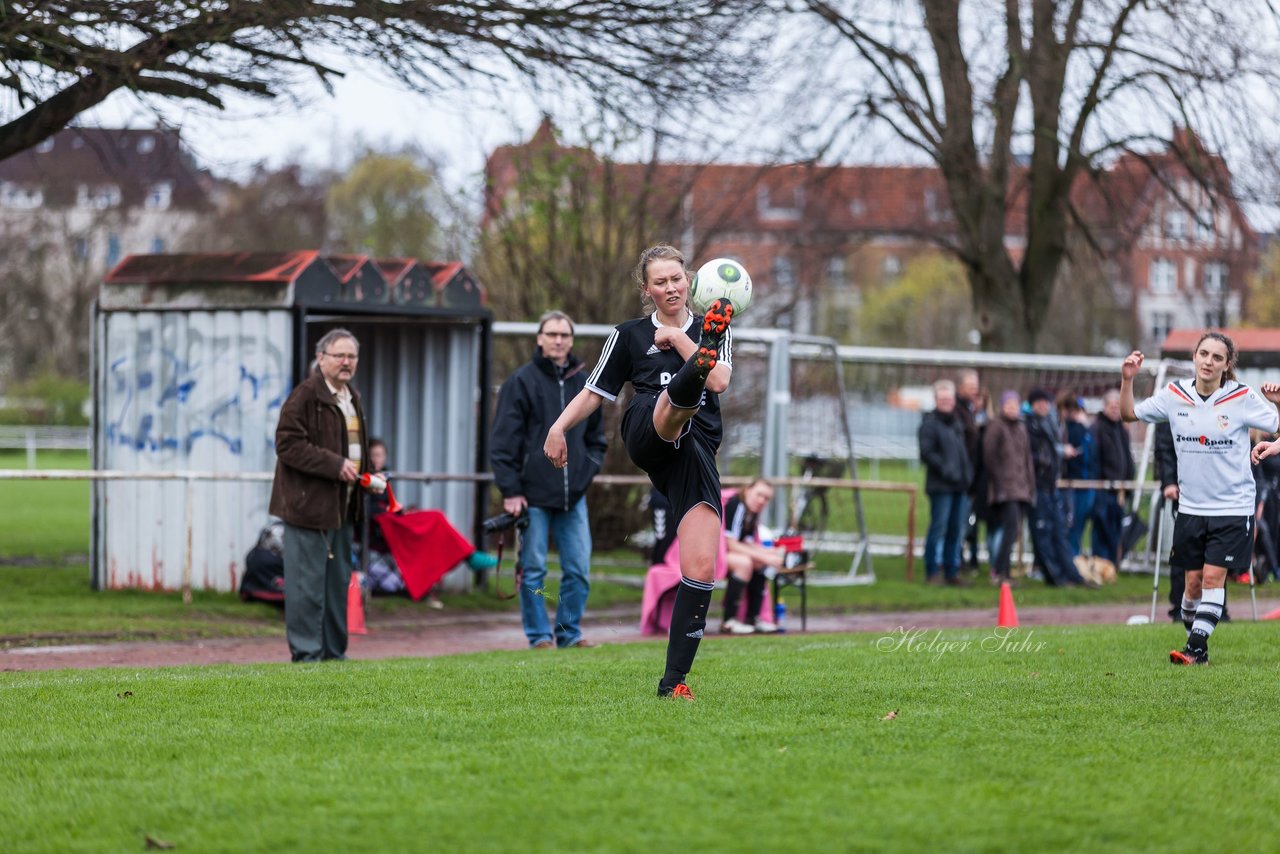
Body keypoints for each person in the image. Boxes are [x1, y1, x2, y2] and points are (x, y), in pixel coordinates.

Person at [544, 243, 735, 700]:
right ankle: (680, 391)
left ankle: (674, 684)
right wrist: (558, 428)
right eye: (660, 281)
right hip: (648, 427)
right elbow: (594, 394)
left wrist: (684, 341)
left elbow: (721, 380)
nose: (670, 287)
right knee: (672, 404)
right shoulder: (628, 335)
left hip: (697, 453)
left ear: (688, 279)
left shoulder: (715, 326)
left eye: (676, 278)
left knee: (702, 569)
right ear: (646, 289)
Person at [1122, 332, 1280, 665]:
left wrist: (1279, 404)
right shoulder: (1173, 395)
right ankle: (1199, 645)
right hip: (1191, 507)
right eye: (1204, 354)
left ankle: (1194, 649)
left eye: (1217, 358)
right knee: (1190, 586)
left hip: (1233, 507)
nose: (1209, 362)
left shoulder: (1240, 397)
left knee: (1211, 578)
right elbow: (1127, 414)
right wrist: (1127, 380)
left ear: (1226, 365)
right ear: (1194, 357)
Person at [491, 310, 608, 650]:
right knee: (534, 569)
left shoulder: (587, 382)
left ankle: (568, 633)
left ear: (572, 340)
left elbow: (597, 439)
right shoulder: (520, 382)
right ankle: (539, 635)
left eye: (565, 335)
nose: (558, 340)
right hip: (532, 497)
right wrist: (511, 490)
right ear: (539, 338)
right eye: (552, 333)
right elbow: (503, 443)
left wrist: (589, 469)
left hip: (575, 496)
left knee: (578, 569)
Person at [269, 328, 369, 662]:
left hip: (342, 508)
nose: (346, 362)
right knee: (305, 587)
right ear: (321, 358)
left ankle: (333, 655)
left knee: (337, 585)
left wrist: (366, 472)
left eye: (351, 356)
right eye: (339, 355)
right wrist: (334, 464)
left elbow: (352, 449)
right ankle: (307, 655)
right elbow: (287, 444)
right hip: (307, 509)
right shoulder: (305, 395)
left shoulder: (350, 396)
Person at [358, 438, 496, 608]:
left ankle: (466, 556)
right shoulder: (363, 478)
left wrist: (401, 511)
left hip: (393, 521)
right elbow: (366, 508)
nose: (376, 459)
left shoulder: (385, 476)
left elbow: (390, 506)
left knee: (435, 525)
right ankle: (468, 555)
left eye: (380, 455)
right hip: (381, 527)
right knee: (435, 519)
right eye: (373, 455)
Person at [1025, 389, 1087, 586]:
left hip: (1051, 484)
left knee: (1060, 530)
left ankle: (1071, 574)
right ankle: (1054, 576)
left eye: (1045, 402)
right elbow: (1032, 454)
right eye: (1039, 402)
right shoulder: (1029, 425)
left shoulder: (1050, 425)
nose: (1043, 405)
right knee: (1043, 532)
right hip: (1038, 486)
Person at [918, 379, 973, 586]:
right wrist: (946, 470)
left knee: (956, 530)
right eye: (942, 399)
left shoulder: (957, 423)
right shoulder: (930, 423)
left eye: (949, 398)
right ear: (936, 399)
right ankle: (932, 570)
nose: (946, 402)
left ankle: (952, 571)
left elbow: (962, 453)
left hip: (959, 485)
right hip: (941, 486)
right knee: (938, 528)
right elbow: (927, 453)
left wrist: (965, 474)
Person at [982, 390, 1035, 584]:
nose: (1012, 408)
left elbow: (1027, 459)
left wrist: (1030, 485)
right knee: (1009, 529)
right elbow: (989, 456)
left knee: (1014, 531)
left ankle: (1004, 570)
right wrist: (999, 482)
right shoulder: (996, 427)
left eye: (1015, 404)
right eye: (1008, 405)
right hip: (1005, 489)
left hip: (1021, 489)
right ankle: (999, 570)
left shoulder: (1021, 428)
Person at [720, 478, 784, 633]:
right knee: (745, 563)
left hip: (726, 552)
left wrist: (770, 553)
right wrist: (766, 557)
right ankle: (728, 621)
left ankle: (753, 618)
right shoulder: (736, 505)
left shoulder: (751, 512)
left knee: (758, 563)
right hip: (711, 554)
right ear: (748, 490)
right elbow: (730, 544)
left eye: (766, 498)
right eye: (759, 495)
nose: (762, 500)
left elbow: (747, 543)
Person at [1089, 390, 1135, 564]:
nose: (1115, 410)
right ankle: (1100, 562)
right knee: (1101, 527)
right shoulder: (1097, 428)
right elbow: (1095, 458)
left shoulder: (1121, 429)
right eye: (1112, 406)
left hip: (1120, 490)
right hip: (1103, 488)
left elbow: (1126, 456)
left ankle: (1112, 563)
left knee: (1115, 527)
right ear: (1105, 406)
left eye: (1118, 406)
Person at [1058, 393, 1095, 557]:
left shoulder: (1085, 429)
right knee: (1070, 524)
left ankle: (1074, 557)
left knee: (1079, 525)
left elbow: (1091, 454)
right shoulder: (1067, 429)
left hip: (1086, 483)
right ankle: (1068, 558)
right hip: (1071, 484)